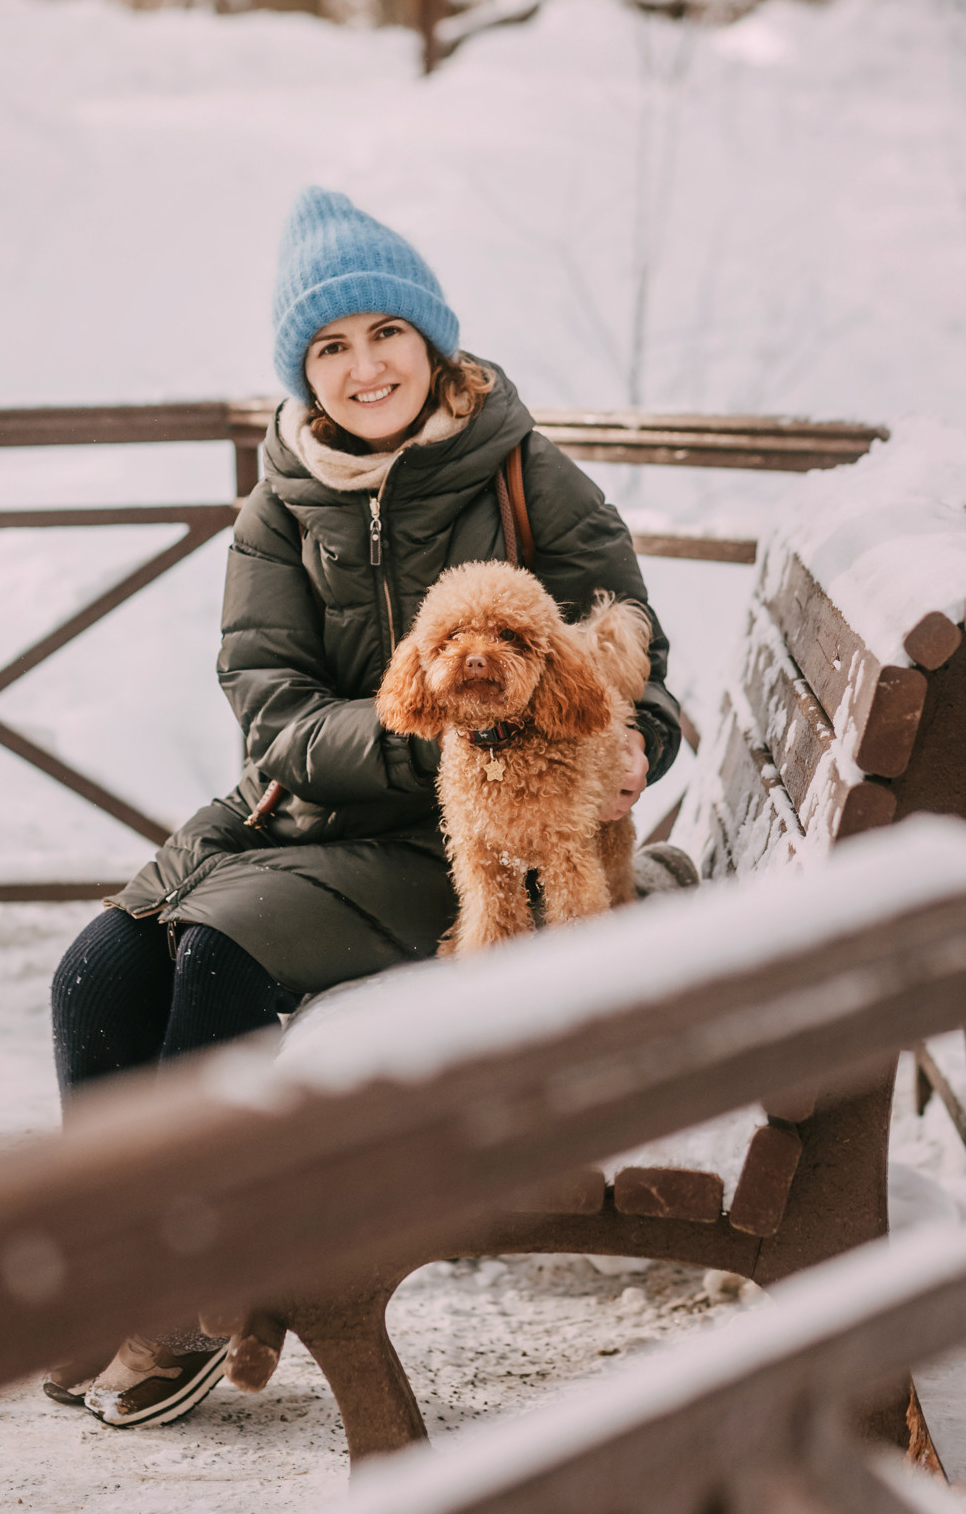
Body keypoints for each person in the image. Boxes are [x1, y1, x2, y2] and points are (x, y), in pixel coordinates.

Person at [47, 185, 683, 1427]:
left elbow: (636, 669)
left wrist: (630, 751)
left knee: (221, 954)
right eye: (327, 347)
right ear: (303, 372)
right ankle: (116, 1267)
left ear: (431, 342)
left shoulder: (526, 476)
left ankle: (196, 1291)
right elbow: (267, 700)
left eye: (383, 332)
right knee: (97, 965)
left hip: (470, 844)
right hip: (307, 809)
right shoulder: (279, 502)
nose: (362, 366)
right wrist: (417, 740)